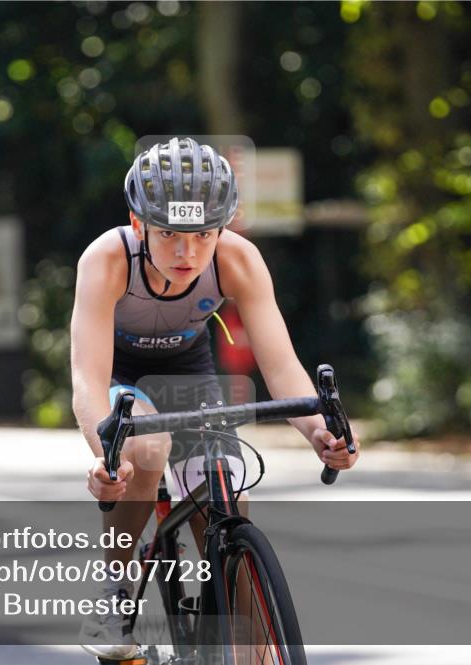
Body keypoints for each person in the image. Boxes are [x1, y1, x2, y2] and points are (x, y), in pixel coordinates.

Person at [70, 137, 360, 660]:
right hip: (123, 376)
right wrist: (105, 456)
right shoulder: (108, 259)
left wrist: (319, 430)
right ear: (139, 225)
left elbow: (281, 365)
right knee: (148, 445)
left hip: (189, 371)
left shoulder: (238, 259)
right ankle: (114, 591)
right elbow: (88, 380)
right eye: (170, 235)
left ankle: (237, 640)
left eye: (204, 234)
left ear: (222, 228)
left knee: (221, 492)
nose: (188, 252)